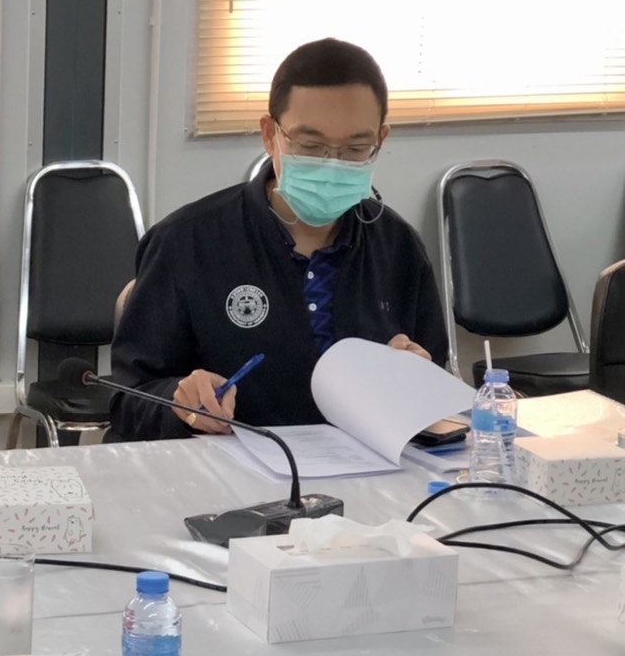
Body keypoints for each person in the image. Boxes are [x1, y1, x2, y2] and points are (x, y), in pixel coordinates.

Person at [109, 38, 447, 441]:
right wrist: (179, 402)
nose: (332, 165)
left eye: (355, 149)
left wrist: (418, 387)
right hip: (226, 468)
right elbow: (127, 401)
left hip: (367, 468)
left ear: (380, 140)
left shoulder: (398, 248)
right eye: (311, 146)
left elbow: (434, 395)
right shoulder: (187, 243)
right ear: (271, 135)